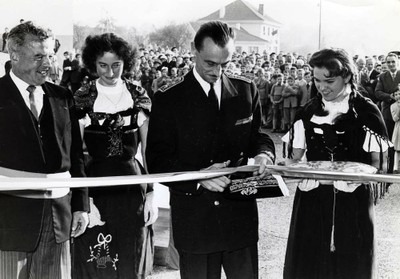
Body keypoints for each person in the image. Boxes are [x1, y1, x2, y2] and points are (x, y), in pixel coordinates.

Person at [146, 20, 275, 279]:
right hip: (195, 219)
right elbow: (157, 160)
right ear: (194, 51)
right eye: (210, 63)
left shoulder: (245, 89)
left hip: (239, 217)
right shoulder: (169, 98)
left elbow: (258, 136)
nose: (217, 72)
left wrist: (264, 153)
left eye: (224, 64)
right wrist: (199, 178)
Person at [282, 48, 390, 279]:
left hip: (351, 203)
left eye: (329, 81)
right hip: (312, 202)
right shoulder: (307, 112)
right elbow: (294, 157)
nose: (322, 87)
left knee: (349, 265)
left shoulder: (367, 113)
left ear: (348, 76)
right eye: (317, 80)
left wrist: (358, 177)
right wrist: (285, 167)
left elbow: (379, 166)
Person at [0, 21, 89, 278]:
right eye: (38, 56)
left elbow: (75, 157)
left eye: (51, 55)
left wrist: (80, 205)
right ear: (14, 55)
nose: (48, 63)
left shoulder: (62, 97)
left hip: (58, 221)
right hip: (9, 223)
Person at [73, 32, 156, 279]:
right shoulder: (82, 98)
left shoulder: (138, 95)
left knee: (132, 258)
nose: (110, 73)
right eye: (103, 66)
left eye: (116, 65)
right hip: (96, 185)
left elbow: (148, 151)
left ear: (126, 63)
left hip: (132, 187)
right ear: (92, 64)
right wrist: (83, 201)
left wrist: (151, 194)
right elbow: (75, 154)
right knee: (97, 262)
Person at [391, 89, 400, 173]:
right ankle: (395, 167)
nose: (398, 96)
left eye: (399, 94)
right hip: (398, 128)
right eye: (396, 94)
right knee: (397, 149)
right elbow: (395, 118)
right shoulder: (393, 106)